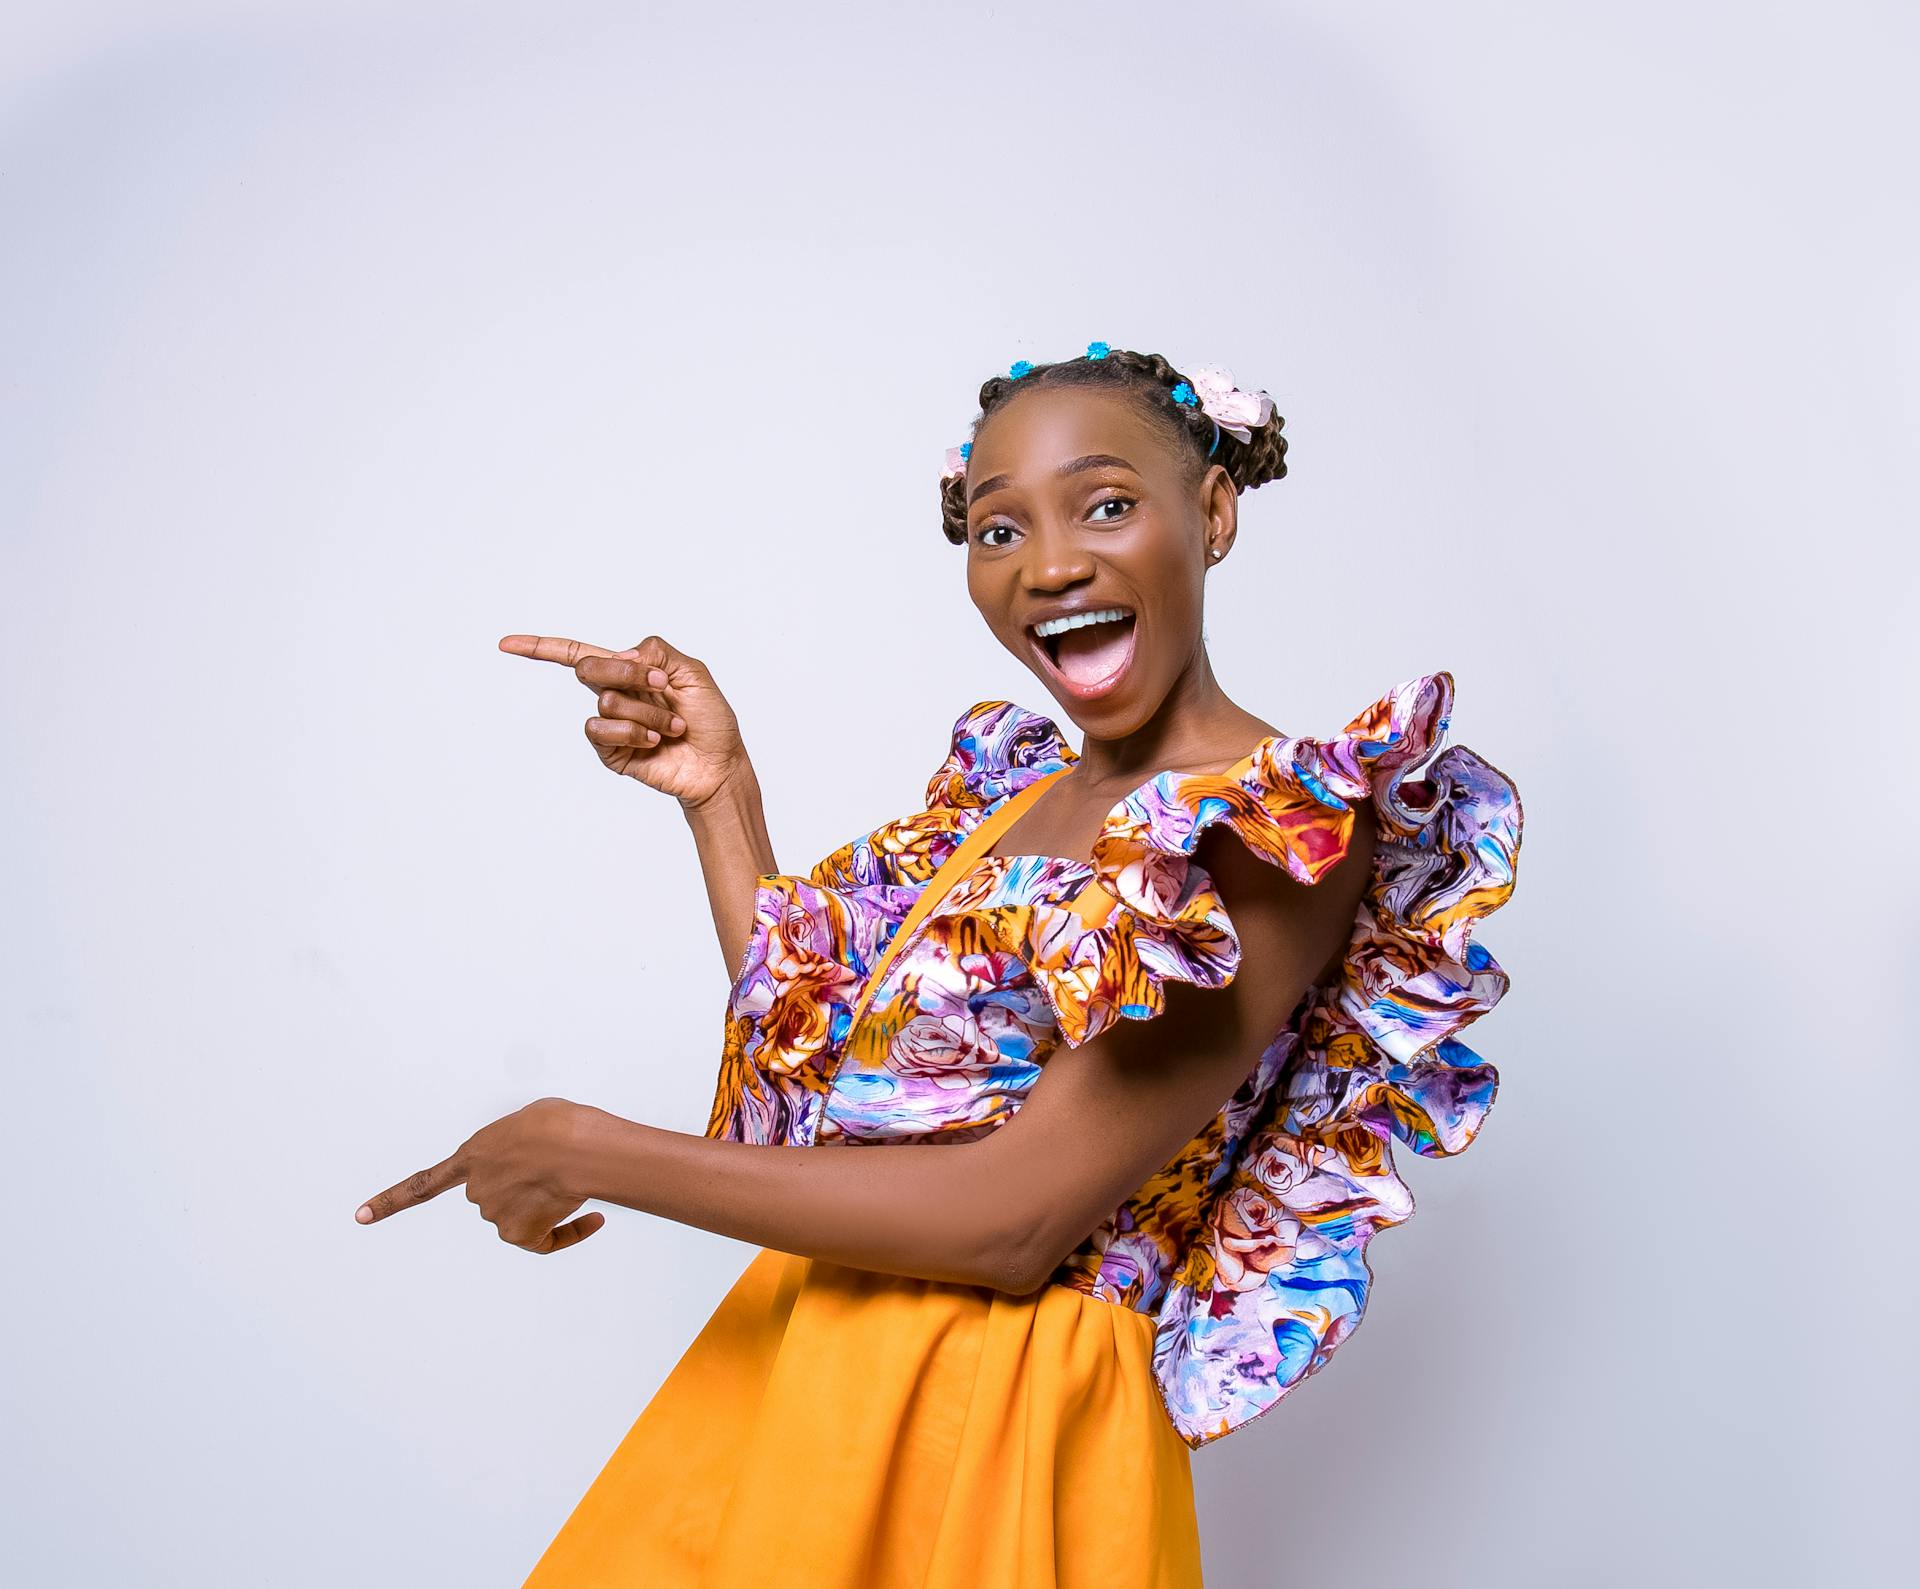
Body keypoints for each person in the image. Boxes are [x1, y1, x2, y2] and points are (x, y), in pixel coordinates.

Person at [356, 343, 1526, 1587]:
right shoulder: (1012, 802)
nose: (1052, 562)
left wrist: (589, 1150)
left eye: (1107, 504)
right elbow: (846, 1084)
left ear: (1216, 514)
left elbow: (1016, 1218)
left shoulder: (1274, 825)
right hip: (808, 1379)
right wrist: (721, 797)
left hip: (1003, 1428)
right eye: (997, 526)